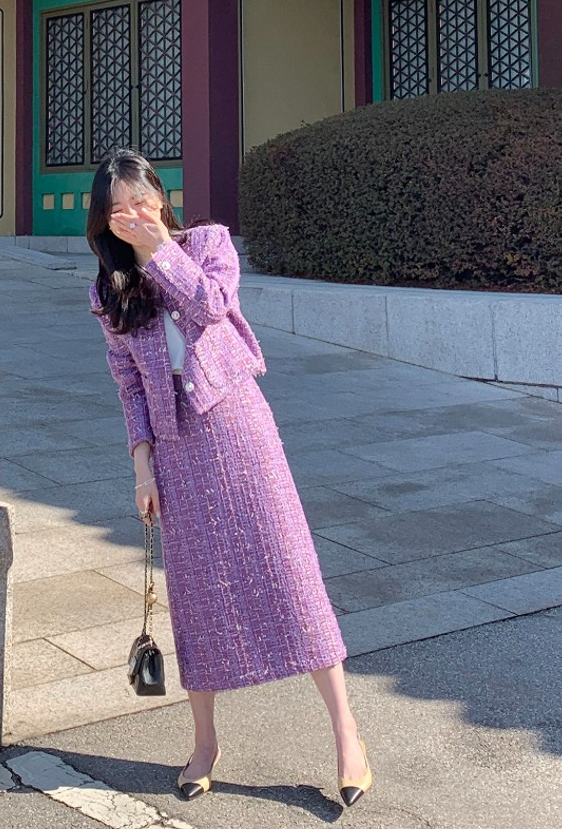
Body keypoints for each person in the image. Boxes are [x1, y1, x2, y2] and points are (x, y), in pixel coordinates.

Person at [87, 148, 372, 807]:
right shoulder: (109, 289)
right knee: (197, 594)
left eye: (140, 201)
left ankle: (346, 733)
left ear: (161, 200)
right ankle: (205, 743)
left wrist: (160, 249)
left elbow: (211, 306)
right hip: (177, 448)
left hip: (239, 427)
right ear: (103, 221)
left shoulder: (207, 244)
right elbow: (128, 382)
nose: (131, 215)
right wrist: (142, 467)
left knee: (289, 571)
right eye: (117, 210)